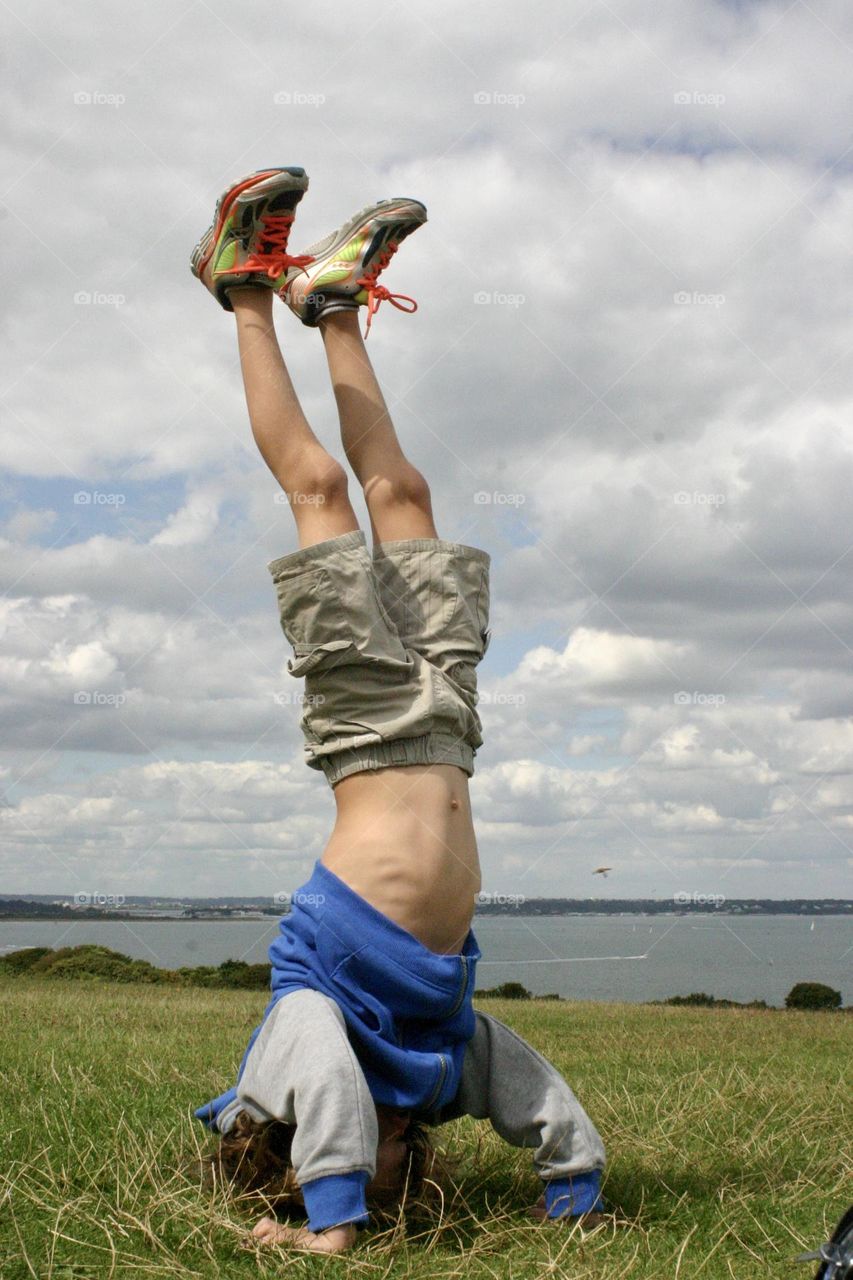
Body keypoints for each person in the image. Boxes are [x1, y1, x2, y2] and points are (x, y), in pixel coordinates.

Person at [189, 168, 609, 1253]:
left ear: (292, 1147)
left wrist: (331, 1228)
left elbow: (328, 1084)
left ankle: (238, 287)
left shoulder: (297, 1037)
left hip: (369, 723)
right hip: (449, 717)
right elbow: (529, 1090)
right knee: (406, 495)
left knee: (321, 493)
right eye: (387, 1178)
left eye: (353, 1169)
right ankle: (330, 305)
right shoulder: (430, 1059)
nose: (378, 1160)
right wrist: (573, 1185)